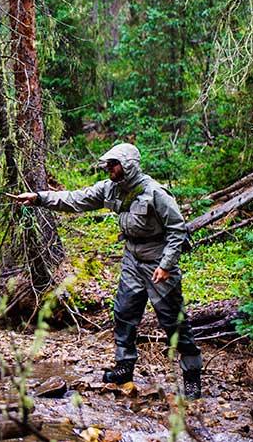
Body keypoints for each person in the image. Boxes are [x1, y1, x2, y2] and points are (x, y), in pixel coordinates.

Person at [11, 143, 203, 399]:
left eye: (114, 164)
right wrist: (39, 198)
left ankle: (191, 377)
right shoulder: (109, 188)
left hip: (158, 261)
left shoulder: (156, 193)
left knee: (172, 321)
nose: (109, 169)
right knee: (124, 313)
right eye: (108, 164)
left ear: (129, 165)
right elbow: (75, 199)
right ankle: (124, 368)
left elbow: (178, 230)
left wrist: (166, 266)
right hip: (132, 259)